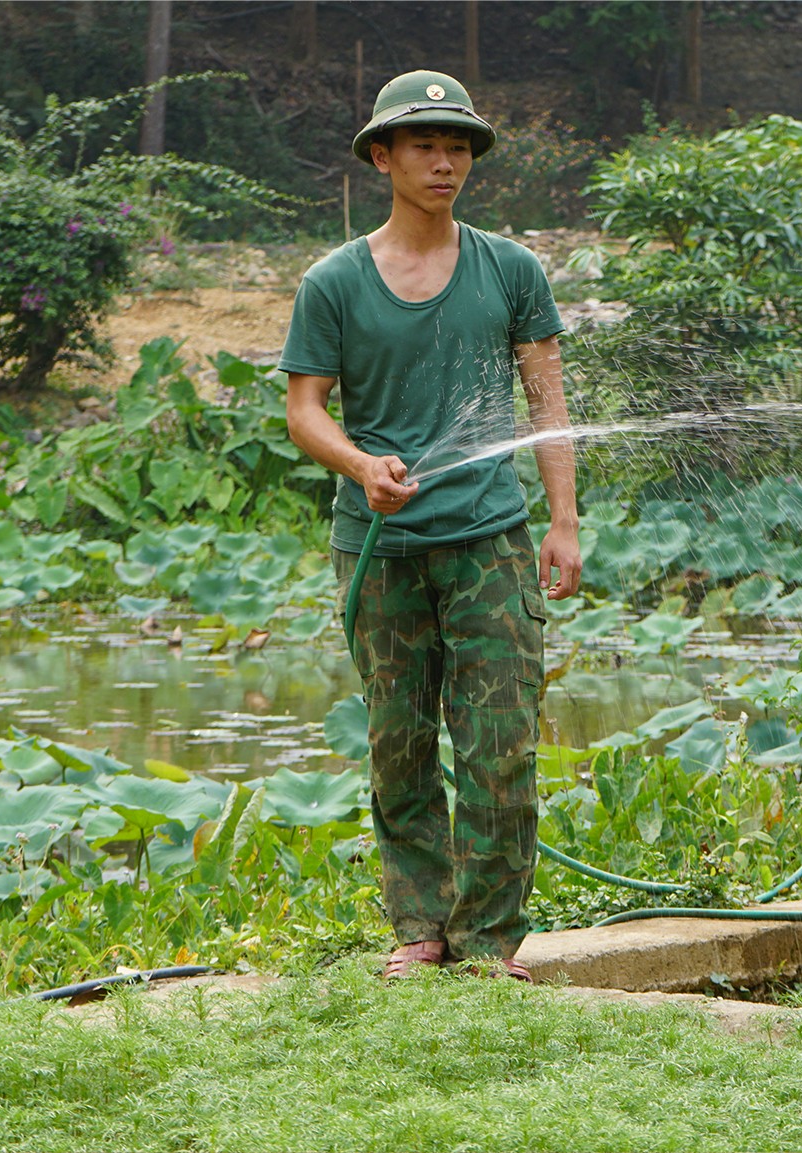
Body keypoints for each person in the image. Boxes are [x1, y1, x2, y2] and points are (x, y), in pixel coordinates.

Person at [281, 70, 581, 981]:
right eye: (424, 145)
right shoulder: (333, 281)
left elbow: (548, 397)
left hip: (491, 538)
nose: (445, 161)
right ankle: (419, 928)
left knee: (501, 745)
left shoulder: (510, 268)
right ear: (383, 157)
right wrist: (361, 464)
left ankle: (489, 941)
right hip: (380, 549)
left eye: (459, 147)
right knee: (400, 741)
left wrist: (563, 518)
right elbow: (305, 410)